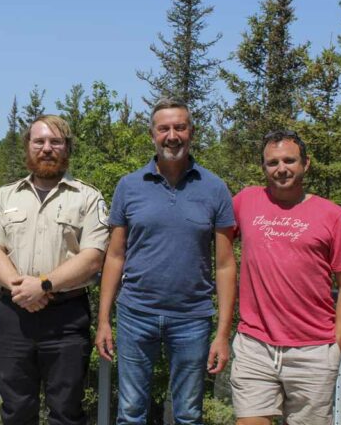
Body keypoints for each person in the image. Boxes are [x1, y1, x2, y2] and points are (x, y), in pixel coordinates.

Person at [95, 98, 236, 424]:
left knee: (188, 414)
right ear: (152, 135)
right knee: (130, 413)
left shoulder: (214, 188)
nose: (172, 135)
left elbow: (226, 264)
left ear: (192, 132)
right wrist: (104, 319)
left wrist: (223, 333)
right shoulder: (129, 186)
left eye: (180, 127)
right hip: (135, 314)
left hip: (193, 318)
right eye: (164, 128)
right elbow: (115, 256)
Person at [0, 115, 110, 425]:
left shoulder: (88, 197)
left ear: (66, 149)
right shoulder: (5, 196)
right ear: (28, 146)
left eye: (56, 142)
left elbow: (93, 257)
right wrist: (22, 290)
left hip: (65, 318)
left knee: (66, 411)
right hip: (14, 316)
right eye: (39, 141)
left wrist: (43, 285)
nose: (47, 148)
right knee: (16, 410)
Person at [229, 130, 341, 425]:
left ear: (305, 164)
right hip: (255, 344)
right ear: (263, 167)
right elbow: (217, 247)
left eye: (289, 160)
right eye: (272, 162)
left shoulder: (333, 215)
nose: (281, 168)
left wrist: (335, 348)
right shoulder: (246, 201)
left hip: (313, 349)